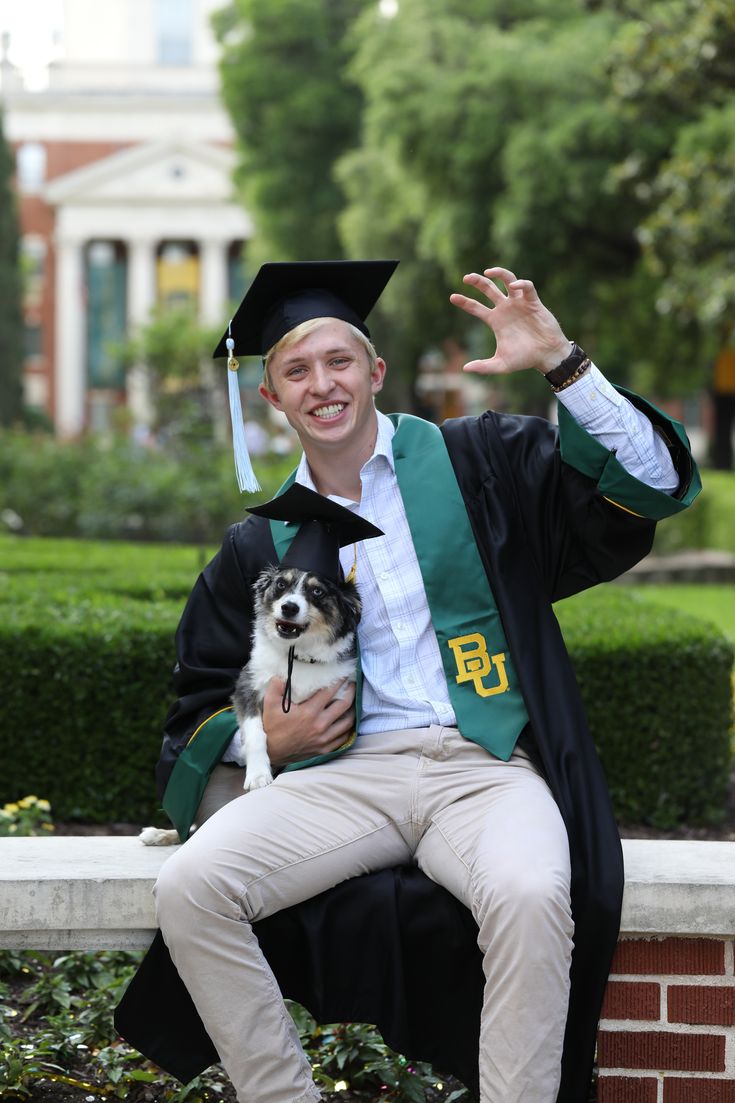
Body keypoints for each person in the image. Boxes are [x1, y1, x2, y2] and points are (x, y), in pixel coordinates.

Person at [116, 261, 699, 1103]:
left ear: (375, 372)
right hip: (344, 781)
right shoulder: (260, 547)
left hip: (484, 765)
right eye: (296, 370)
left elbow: (647, 484)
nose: (323, 384)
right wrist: (266, 738)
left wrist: (562, 362)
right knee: (193, 886)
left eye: (339, 360)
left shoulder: (479, 463)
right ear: (274, 399)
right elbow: (199, 701)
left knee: (534, 891)